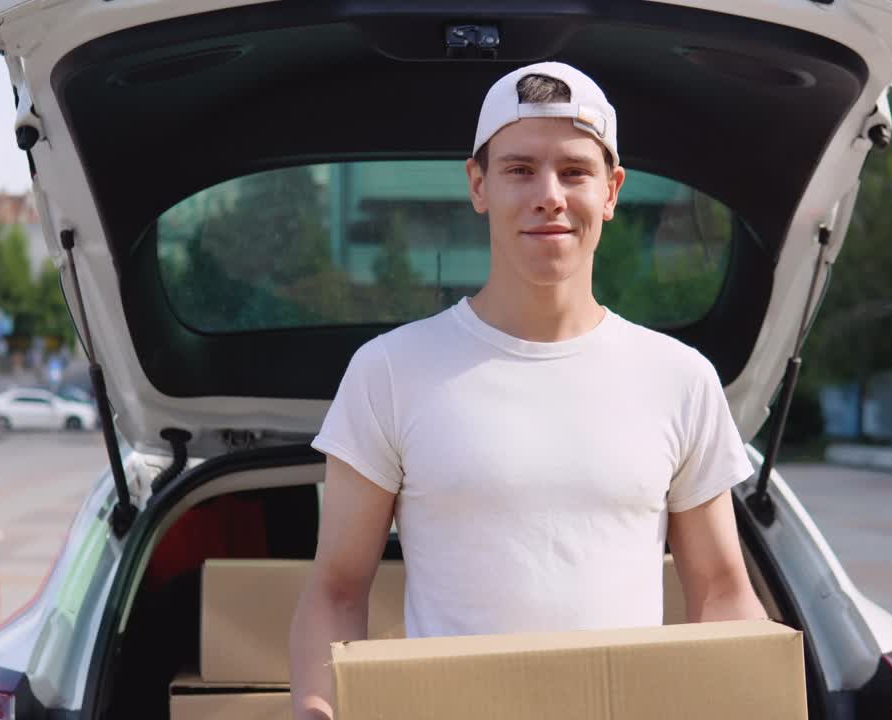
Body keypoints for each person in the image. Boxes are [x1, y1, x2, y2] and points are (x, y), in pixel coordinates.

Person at [289, 62, 767, 720]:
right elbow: (337, 590)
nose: (549, 195)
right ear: (478, 184)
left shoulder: (679, 378)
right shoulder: (390, 371)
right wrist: (317, 708)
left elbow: (720, 590)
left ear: (611, 190)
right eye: (520, 169)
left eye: (574, 171)